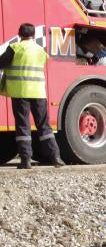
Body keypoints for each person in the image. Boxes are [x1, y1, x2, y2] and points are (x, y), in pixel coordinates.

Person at [0, 23, 64, 169]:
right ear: (34, 35)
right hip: (39, 93)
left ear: (19, 34)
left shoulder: (15, 48)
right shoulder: (40, 50)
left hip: (21, 92)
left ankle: (26, 160)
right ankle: (56, 157)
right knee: (44, 125)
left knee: (23, 126)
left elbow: (1, 62)